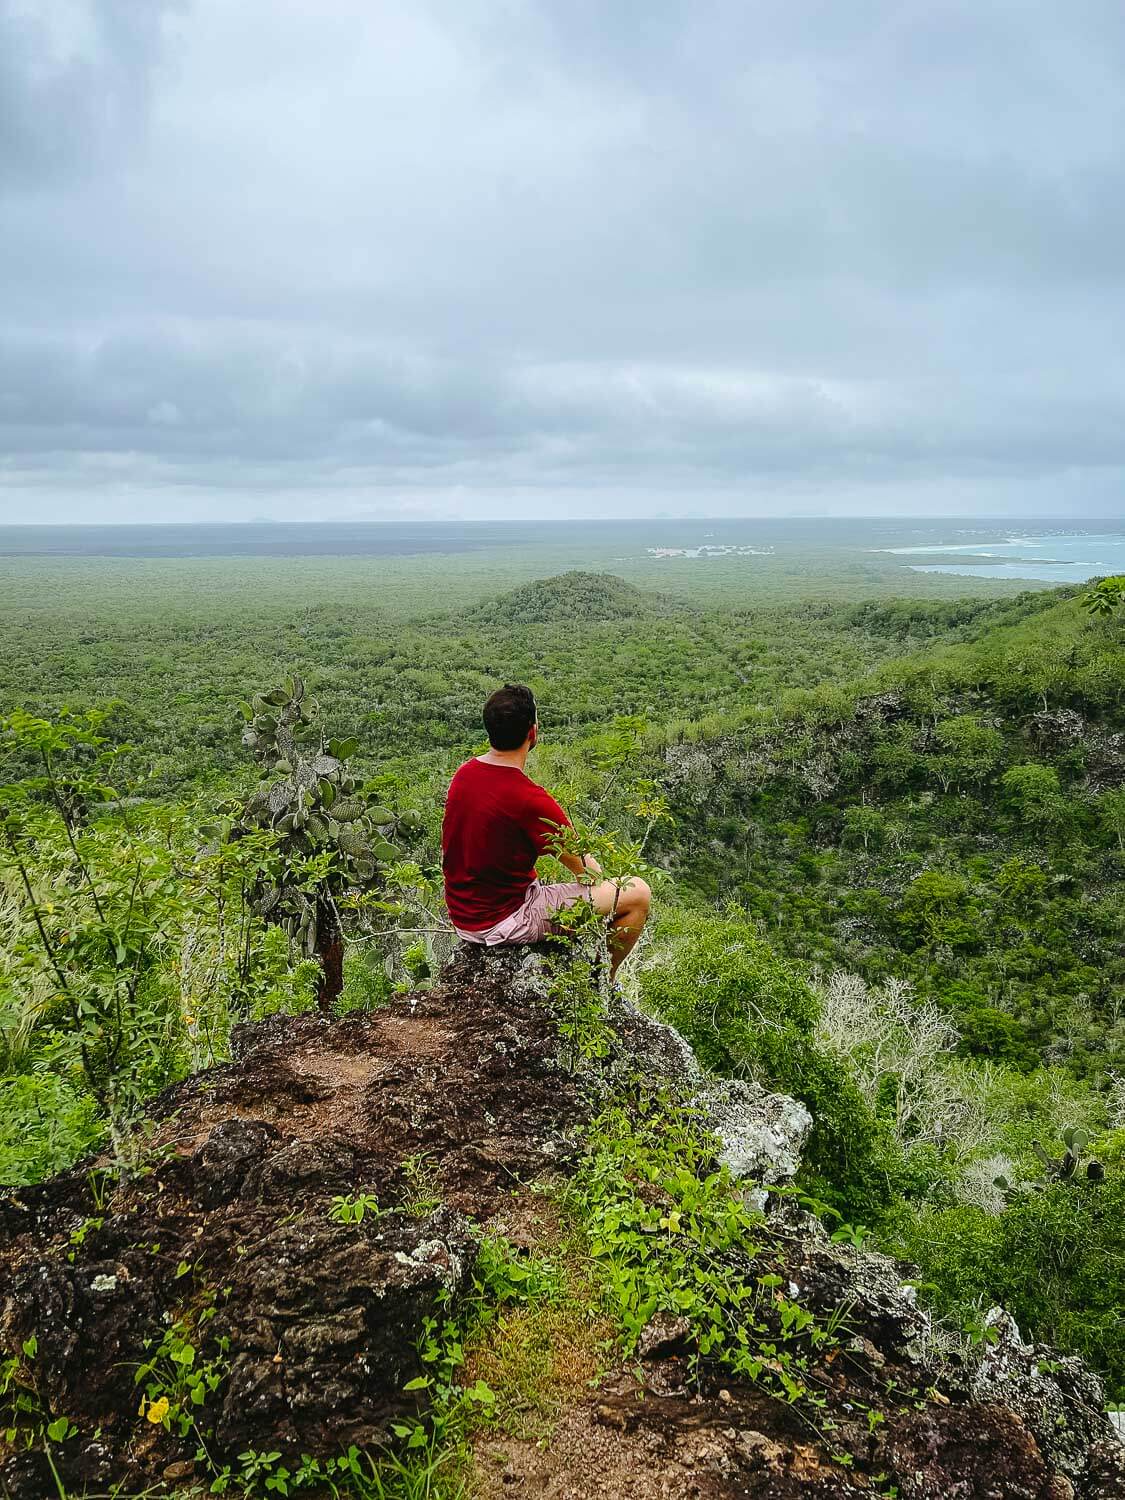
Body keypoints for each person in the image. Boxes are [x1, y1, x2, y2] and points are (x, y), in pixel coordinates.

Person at [442, 684, 651, 978]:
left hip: (463, 917)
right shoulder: (530, 799)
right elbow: (589, 874)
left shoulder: (464, 774)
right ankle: (605, 983)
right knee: (637, 893)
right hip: (505, 920)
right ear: (533, 732)